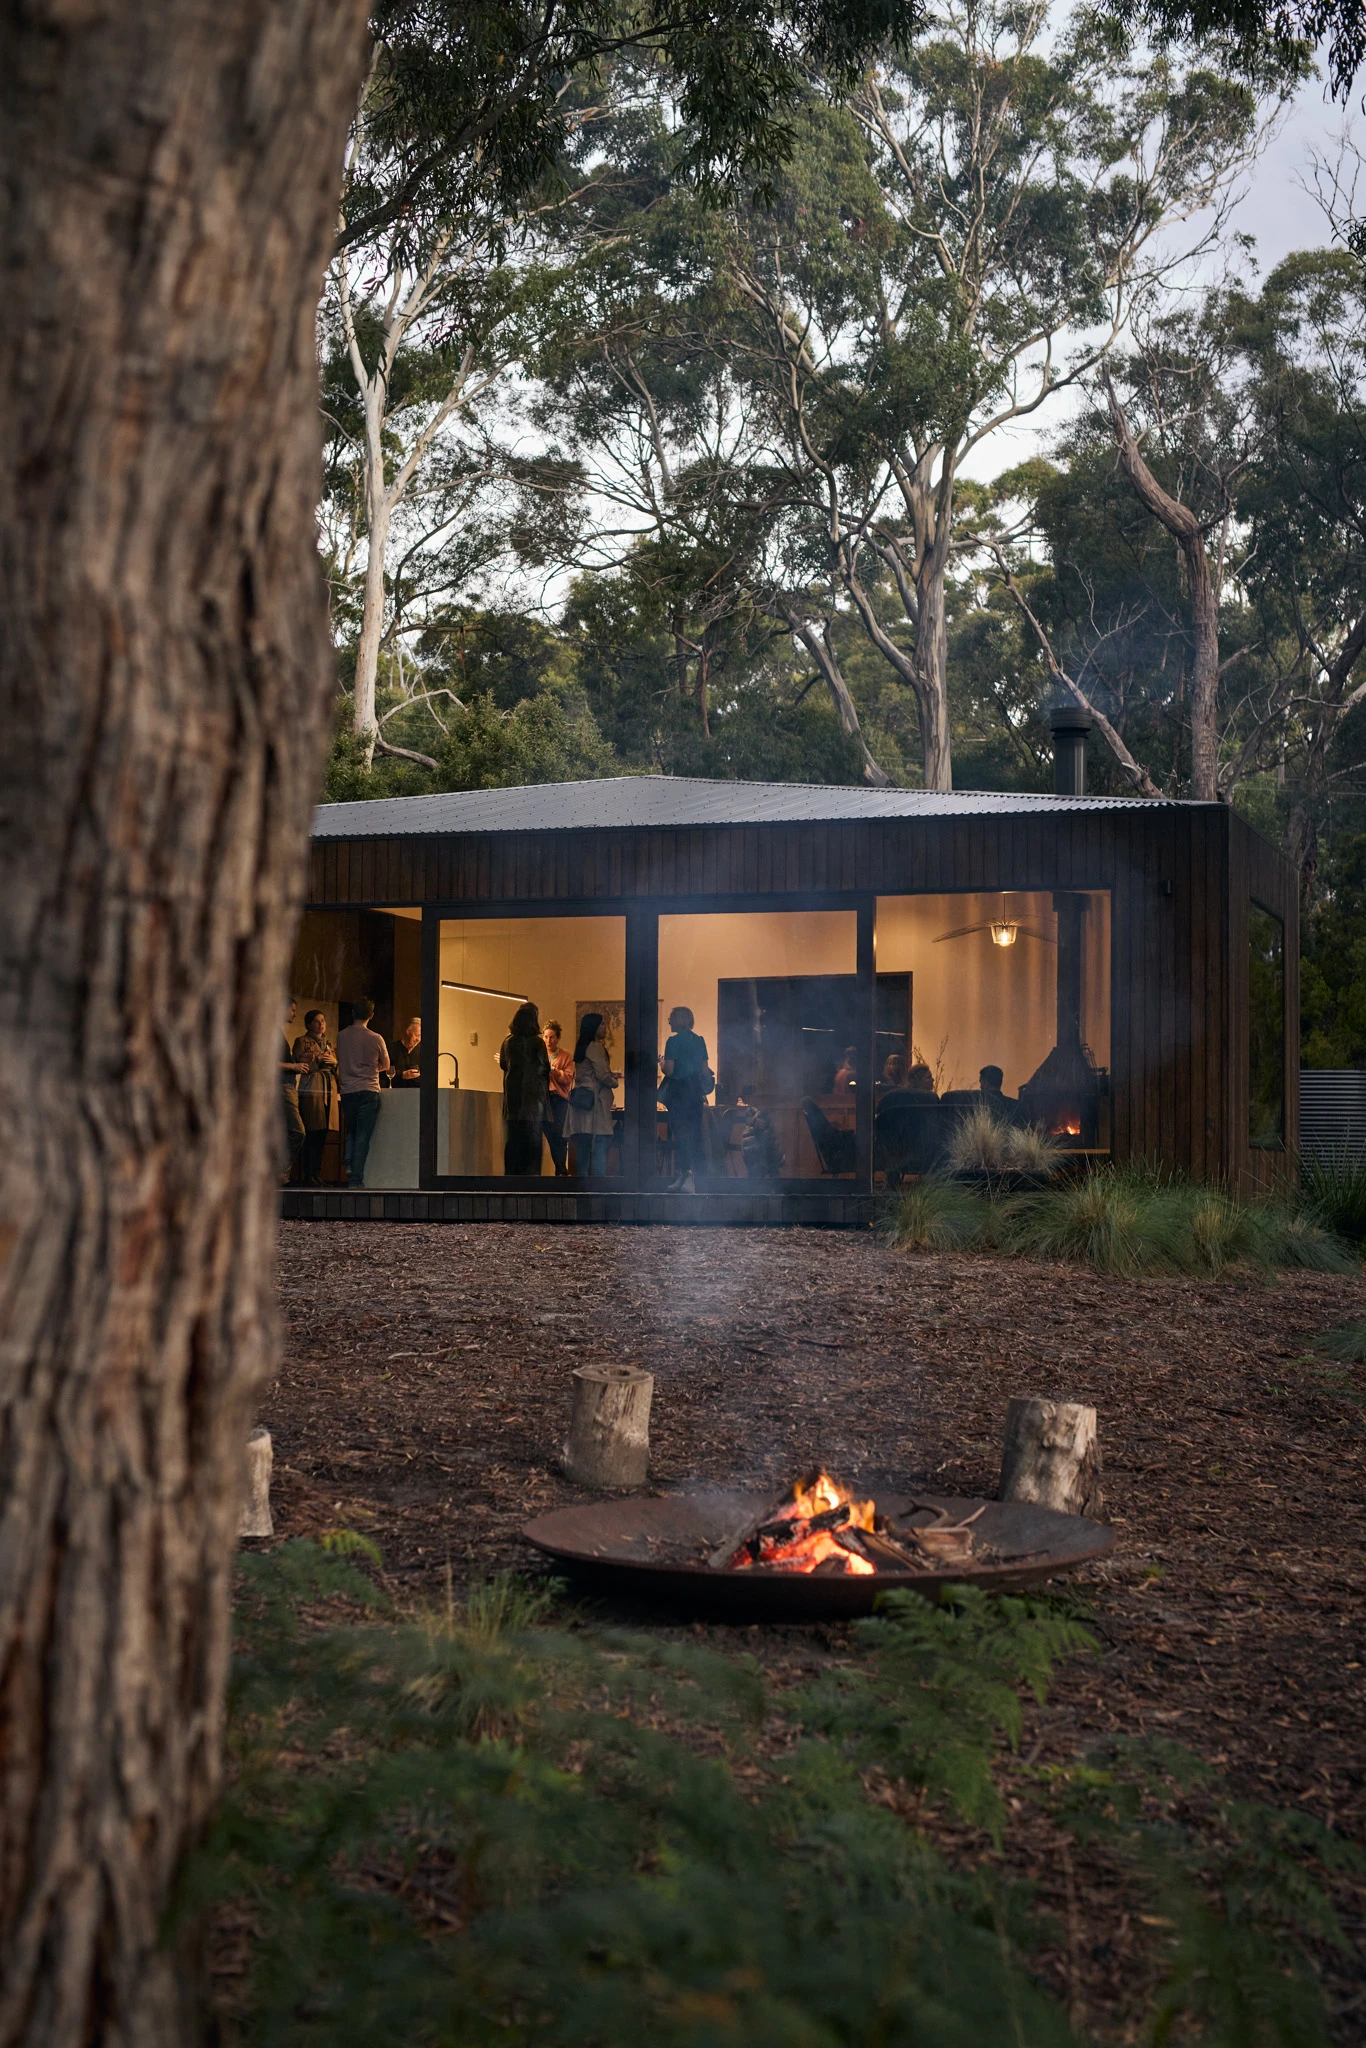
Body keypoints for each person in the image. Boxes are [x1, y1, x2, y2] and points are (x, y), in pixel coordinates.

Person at [336, 999, 391, 1188]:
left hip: (347, 1091)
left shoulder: (341, 1036)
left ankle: (349, 1165)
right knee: (362, 1136)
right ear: (371, 1015)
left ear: (352, 1013)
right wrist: (372, 1067)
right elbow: (386, 1065)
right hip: (368, 1090)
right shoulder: (376, 1038)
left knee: (351, 1130)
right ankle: (355, 1179)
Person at [660, 1004, 710, 1192]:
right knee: (694, 1135)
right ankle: (694, 1179)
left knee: (681, 1134)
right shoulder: (700, 1040)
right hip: (695, 1092)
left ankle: (683, 1175)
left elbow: (670, 1070)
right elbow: (705, 1070)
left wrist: (661, 1064)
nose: (669, 1021)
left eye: (671, 1017)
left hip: (679, 1093)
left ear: (678, 1020)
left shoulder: (672, 1042)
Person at [499, 1001, 550, 1175]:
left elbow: (503, 1064)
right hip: (533, 1100)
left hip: (513, 1100)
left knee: (513, 1142)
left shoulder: (508, 1042)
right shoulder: (537, 1042)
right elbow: (545, 1068)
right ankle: (532, 1181)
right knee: (532, 1143)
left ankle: (511, 1178)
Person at [566, 1011, 618, 1176]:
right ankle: (598, 1185)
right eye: (602, 1024)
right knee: (600, 1142)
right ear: (594, 1027)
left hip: (582, 1099)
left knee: (584, 1143)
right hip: (596, 1101)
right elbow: (602, 1075)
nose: (605, 1027)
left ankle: (582, 1183)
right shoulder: (595, 1047)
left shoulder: (581, 1047)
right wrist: (614, 1082)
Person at [294, 1008, 338, 1185]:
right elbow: (299, 1061)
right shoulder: (301, 1041)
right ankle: (308, 1174)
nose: (321, 1024)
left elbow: (338, 1069)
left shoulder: (329, 1043)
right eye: (317, 1021)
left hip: (329, 1089)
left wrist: (334, 1062)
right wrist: (317, 1059)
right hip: (312, 1089)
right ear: (309, 1024)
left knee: (324, 1133)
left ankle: (317, 1174)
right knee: (312, 1131)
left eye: (323, 1021)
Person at [279, 999, 308, 1182]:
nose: (294, 1014)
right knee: (298, 1132)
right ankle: (280, 1174)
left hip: (286, 1086)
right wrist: (293, 1066)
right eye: (293, 1010)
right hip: (282, 1086)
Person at [543, 1018, 574, 1176]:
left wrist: (554, 1071)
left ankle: (561, 1170)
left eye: (552, 1037)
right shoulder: (540, 1054)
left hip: (558, 1099)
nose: (549, 1041)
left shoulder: (565, 1056)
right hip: (542, 1098)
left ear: (558, 1038)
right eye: (546, 1037)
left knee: (559, 1136)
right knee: (545, 1133)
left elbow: (568, 1078)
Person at [392, 1017, 422, 1087]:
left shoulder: (423, 1050)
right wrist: (402, 1075)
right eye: (417, 1035)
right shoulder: (392, 1048)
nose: (418, 1039)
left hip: (417, 1094)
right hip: (395, 1093)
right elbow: (382, 1072)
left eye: (421, 1036)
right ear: (408, 1031)